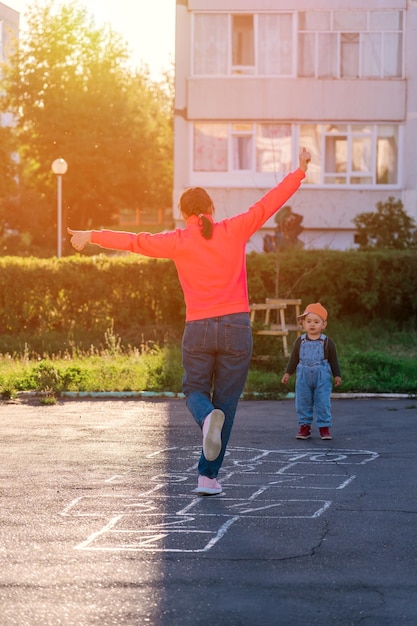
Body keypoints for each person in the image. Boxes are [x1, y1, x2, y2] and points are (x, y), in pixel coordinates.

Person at [68, 148, 311, 495]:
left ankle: (205, 434)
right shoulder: (234, 229)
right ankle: (208, 476)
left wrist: (92, 234)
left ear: (184, 215)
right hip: (236, 329)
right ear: (211, 210)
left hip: (198, 329)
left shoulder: (179, 240)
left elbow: (136, 242)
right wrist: (298, 172)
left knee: (196, 392)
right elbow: (268, 204)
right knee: (225, 406)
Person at [281, 302, 342, 441]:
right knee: (302, 401)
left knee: (323, 402)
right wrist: (288, 373)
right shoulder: (300, 341)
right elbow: (294, 359)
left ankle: (324, 427)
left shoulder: (327, 342)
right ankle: (304, 427)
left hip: (322, 375)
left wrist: (337, 375)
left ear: (323, 324)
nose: (312, 324)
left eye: (316, 321)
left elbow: (333, 360)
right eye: (309, 321)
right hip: (303, 375)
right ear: (303, 323)